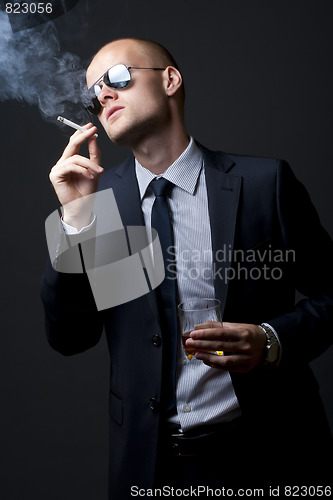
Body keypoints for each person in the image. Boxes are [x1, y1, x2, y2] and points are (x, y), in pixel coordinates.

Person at [41, 38, 333, 498]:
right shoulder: (102, 207)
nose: (103, 95)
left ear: (170, 80)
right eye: (94, 92)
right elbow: (70, 338)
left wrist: (271, 341)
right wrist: (76, 224)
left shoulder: (263, 183)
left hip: (270, 455)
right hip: (152, 467)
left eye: (116, 78)